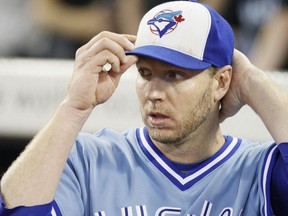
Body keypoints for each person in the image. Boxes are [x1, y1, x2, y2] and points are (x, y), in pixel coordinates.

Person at [0, 0, 288, 215]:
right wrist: (72, 108)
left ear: (221, 81)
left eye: (174, 75)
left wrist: (252, 80)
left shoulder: (258, 171)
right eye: (146, 73)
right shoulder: (89, 159)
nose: (154, 93)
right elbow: (16, 210)